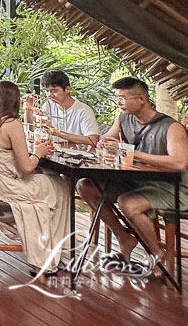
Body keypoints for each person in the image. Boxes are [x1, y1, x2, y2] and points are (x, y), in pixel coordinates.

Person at [78, 77, 188, 276]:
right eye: (117, 98)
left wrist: (133, 153)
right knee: (85, 186)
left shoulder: (171, 127)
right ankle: (124, 237)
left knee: (128, 202)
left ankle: (157, 255)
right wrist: (104, 143)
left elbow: (179, 163)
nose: (119, 103)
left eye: (123, 98)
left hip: (171, 187)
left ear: (142, 99)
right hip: (135, 180)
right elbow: (108, 137)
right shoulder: (123, 118)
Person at [0, 80, 70, 276]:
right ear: (14, 101)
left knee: (51, 180)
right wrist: (38, 152)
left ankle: (54, 251)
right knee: (61, 187)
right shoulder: (11, 124)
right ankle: (58, 256)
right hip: (9, 188)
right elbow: (26, 168)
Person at [24, 69, 100, 147]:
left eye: (54, 91)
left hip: (77, 156)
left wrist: (57, 133)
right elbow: (31, 127)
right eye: (47, 91)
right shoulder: (48, 105)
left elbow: (93, 140)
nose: (49, 95)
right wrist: (28, 107)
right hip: (52, 153)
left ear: (67, 89)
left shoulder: (83, 111)